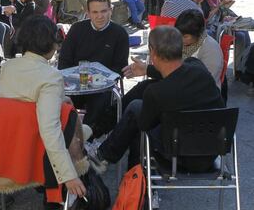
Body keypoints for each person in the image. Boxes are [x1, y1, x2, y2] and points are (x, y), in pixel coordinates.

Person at [93, 26, 225, 171]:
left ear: (153, 53)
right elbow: (179, 72)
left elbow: (143, 125)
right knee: (145, 94)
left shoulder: (156, 92)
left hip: (177, 157)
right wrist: (148, 70)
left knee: (137, 111)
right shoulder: (198, 68)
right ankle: (104, 155)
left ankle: (105, 157)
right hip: (212, 152)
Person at [0, 15, 88, 205]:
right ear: (51, 44)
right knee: (85, 130)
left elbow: (23, 100)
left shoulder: (7, 67)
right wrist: (69, 176)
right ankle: (63, 189)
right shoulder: (51, 76)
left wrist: (62, 99)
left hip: (6, 143)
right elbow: (49, 130)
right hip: (36, 148)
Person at [58, 0, 129, 137]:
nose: (100, 16)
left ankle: (88, 137)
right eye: (95, 12)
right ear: (88, 13)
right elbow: (64, 61)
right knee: (55, 97)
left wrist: (100, 78)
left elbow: (120, 67)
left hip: (102, 86)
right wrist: (74, 79)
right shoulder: (77, 29)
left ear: (111, 10)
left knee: (101, 100)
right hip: (75, 84)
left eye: (104, 11)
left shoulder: (119, 33)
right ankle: (64, 138)